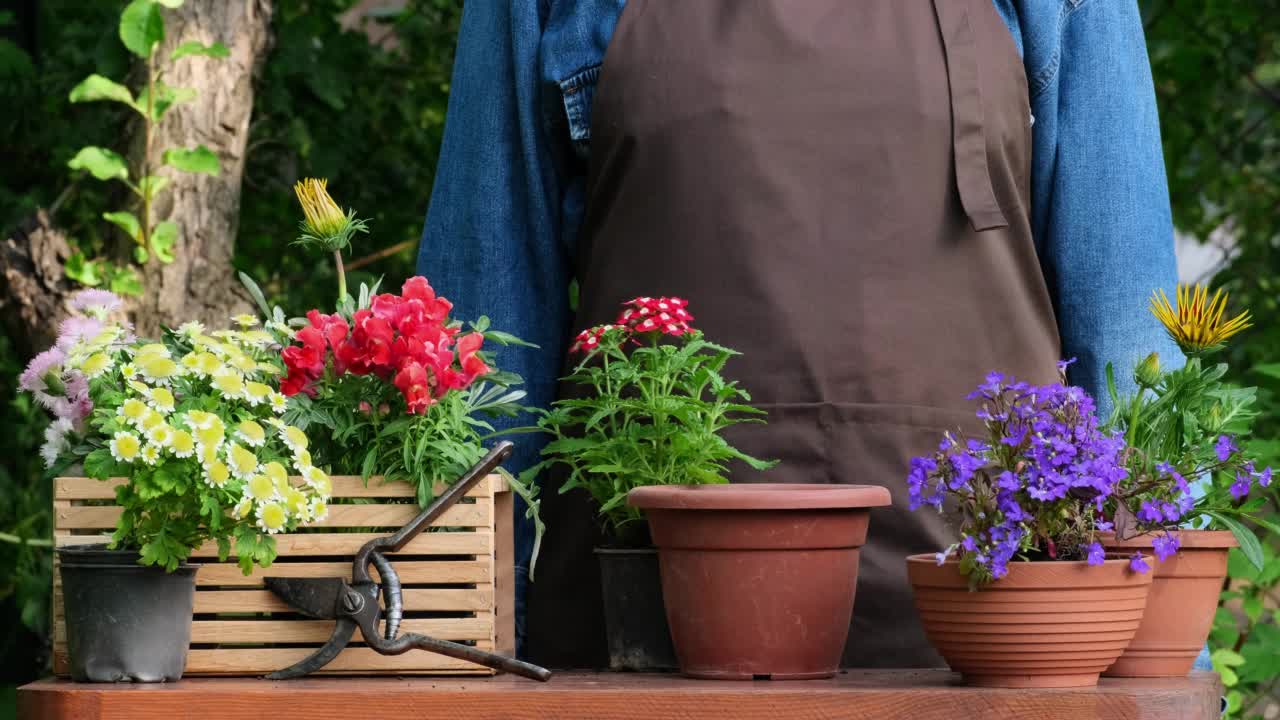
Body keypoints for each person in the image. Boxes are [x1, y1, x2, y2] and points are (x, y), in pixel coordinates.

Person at [417, 0, 1183, 668]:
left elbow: (1126, 354)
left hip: (989, 628)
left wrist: (1164, 671)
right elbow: (487, 362)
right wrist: (448, 651)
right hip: (644, 640)